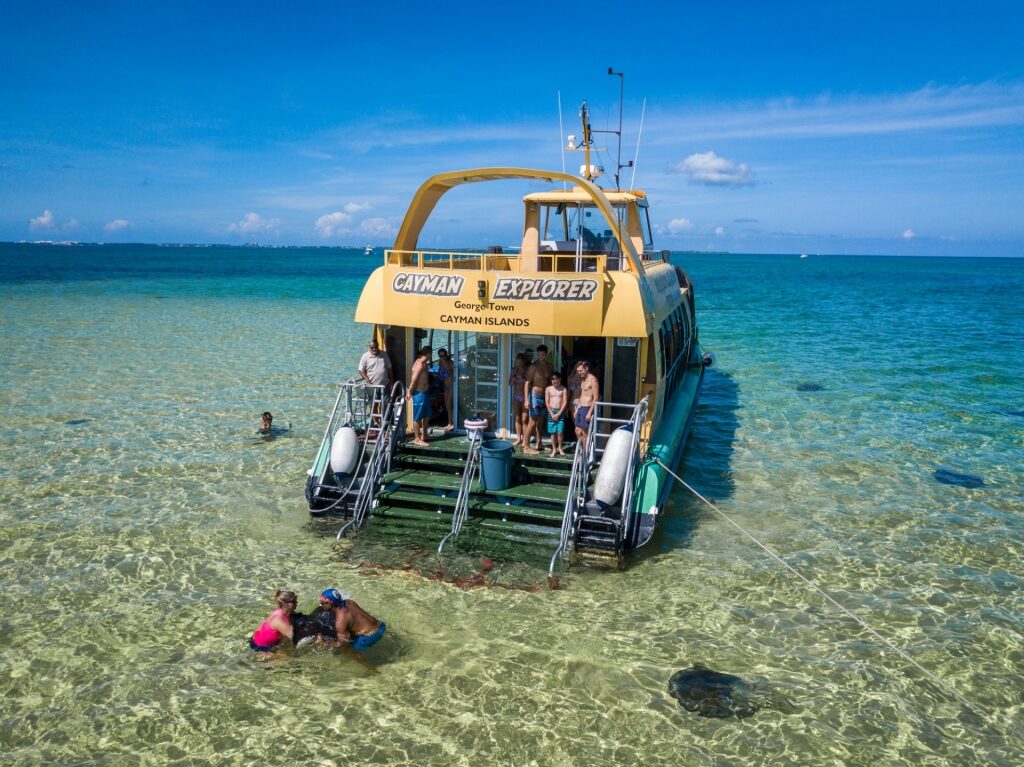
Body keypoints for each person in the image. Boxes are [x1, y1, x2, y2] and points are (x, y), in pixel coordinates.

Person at [317, 588, 386, 650]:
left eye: (322, 603)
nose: (321, 605)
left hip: (371, 636)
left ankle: (365, 664)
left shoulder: (340, 621)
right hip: (381, 626)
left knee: (347, 650)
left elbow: (342, 644)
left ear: (331, 603)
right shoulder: (349, 602)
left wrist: (324, 643)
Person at [522, 344, 554, 455]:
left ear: (546, 354)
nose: (542, 356)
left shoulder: (550, 366)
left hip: (545, 396)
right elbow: (527, 383)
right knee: (532, 421)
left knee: (540, 421)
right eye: (540, 354)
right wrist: (526, 399)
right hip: (535, 395)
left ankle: (539, 443)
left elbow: (551, 382)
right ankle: (526, 447)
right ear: (538, 354)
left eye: (543, 354)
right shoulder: (533, 366)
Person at [407, 346, 432, 446]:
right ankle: (417, 439)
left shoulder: (423, 363)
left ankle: (424, 435)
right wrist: (409, 392)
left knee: (427, 415)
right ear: (429, 354)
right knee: (418, 417)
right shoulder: (419, 365)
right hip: (419, 394)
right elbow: (414, 381)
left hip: (424, 393)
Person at [574, 360, 600, 448]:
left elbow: (596, 397)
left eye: (580, 371)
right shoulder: (583, 380)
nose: (579, 373)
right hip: (581, 407)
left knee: (584, 433)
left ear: (586, 368)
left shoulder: (593, 380)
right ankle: (581, 450)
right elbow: (582, 394)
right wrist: (577, 408)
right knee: (577, 431)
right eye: (578, 371)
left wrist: (589, 412)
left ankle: (585, 454)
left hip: (587, 408)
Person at [545, 372, 568, 457]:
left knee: (560, 432)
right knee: (552, 432)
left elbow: (565, 402)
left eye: (557, 382)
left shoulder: (563, 389)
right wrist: (551, 413)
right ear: (551, 381)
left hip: (560, 412)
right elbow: (547, 402)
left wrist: (559, 413)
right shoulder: (548, 389)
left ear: (560, 380)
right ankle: (554, 449)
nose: (555, 384)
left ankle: (560, 448)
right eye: (554, 383)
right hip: (551, 412)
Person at [508, 353, 528, 445]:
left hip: (524, 397)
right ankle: (518, 438)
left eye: (520, 362)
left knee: (524, 419)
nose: (518, 364)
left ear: (524, 362)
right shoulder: (513, 370)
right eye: (517, 362)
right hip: (516, 396)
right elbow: (510, 384)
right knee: (517, 418)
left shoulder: (527, 370)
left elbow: (530, 384)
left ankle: (525, 439)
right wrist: (514, 378)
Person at [435, 348, 455, 431]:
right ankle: (450, 422)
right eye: (440, 356)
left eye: (443, 355)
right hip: (445, 386)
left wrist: (445, 363)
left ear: (446, 355)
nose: (442, 357)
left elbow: (450, 373)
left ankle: (452, 423)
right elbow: (441, 376)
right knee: (447, 405)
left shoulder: (451, 363)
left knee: (449, 405)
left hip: (451, 386)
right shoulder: (440, 363)